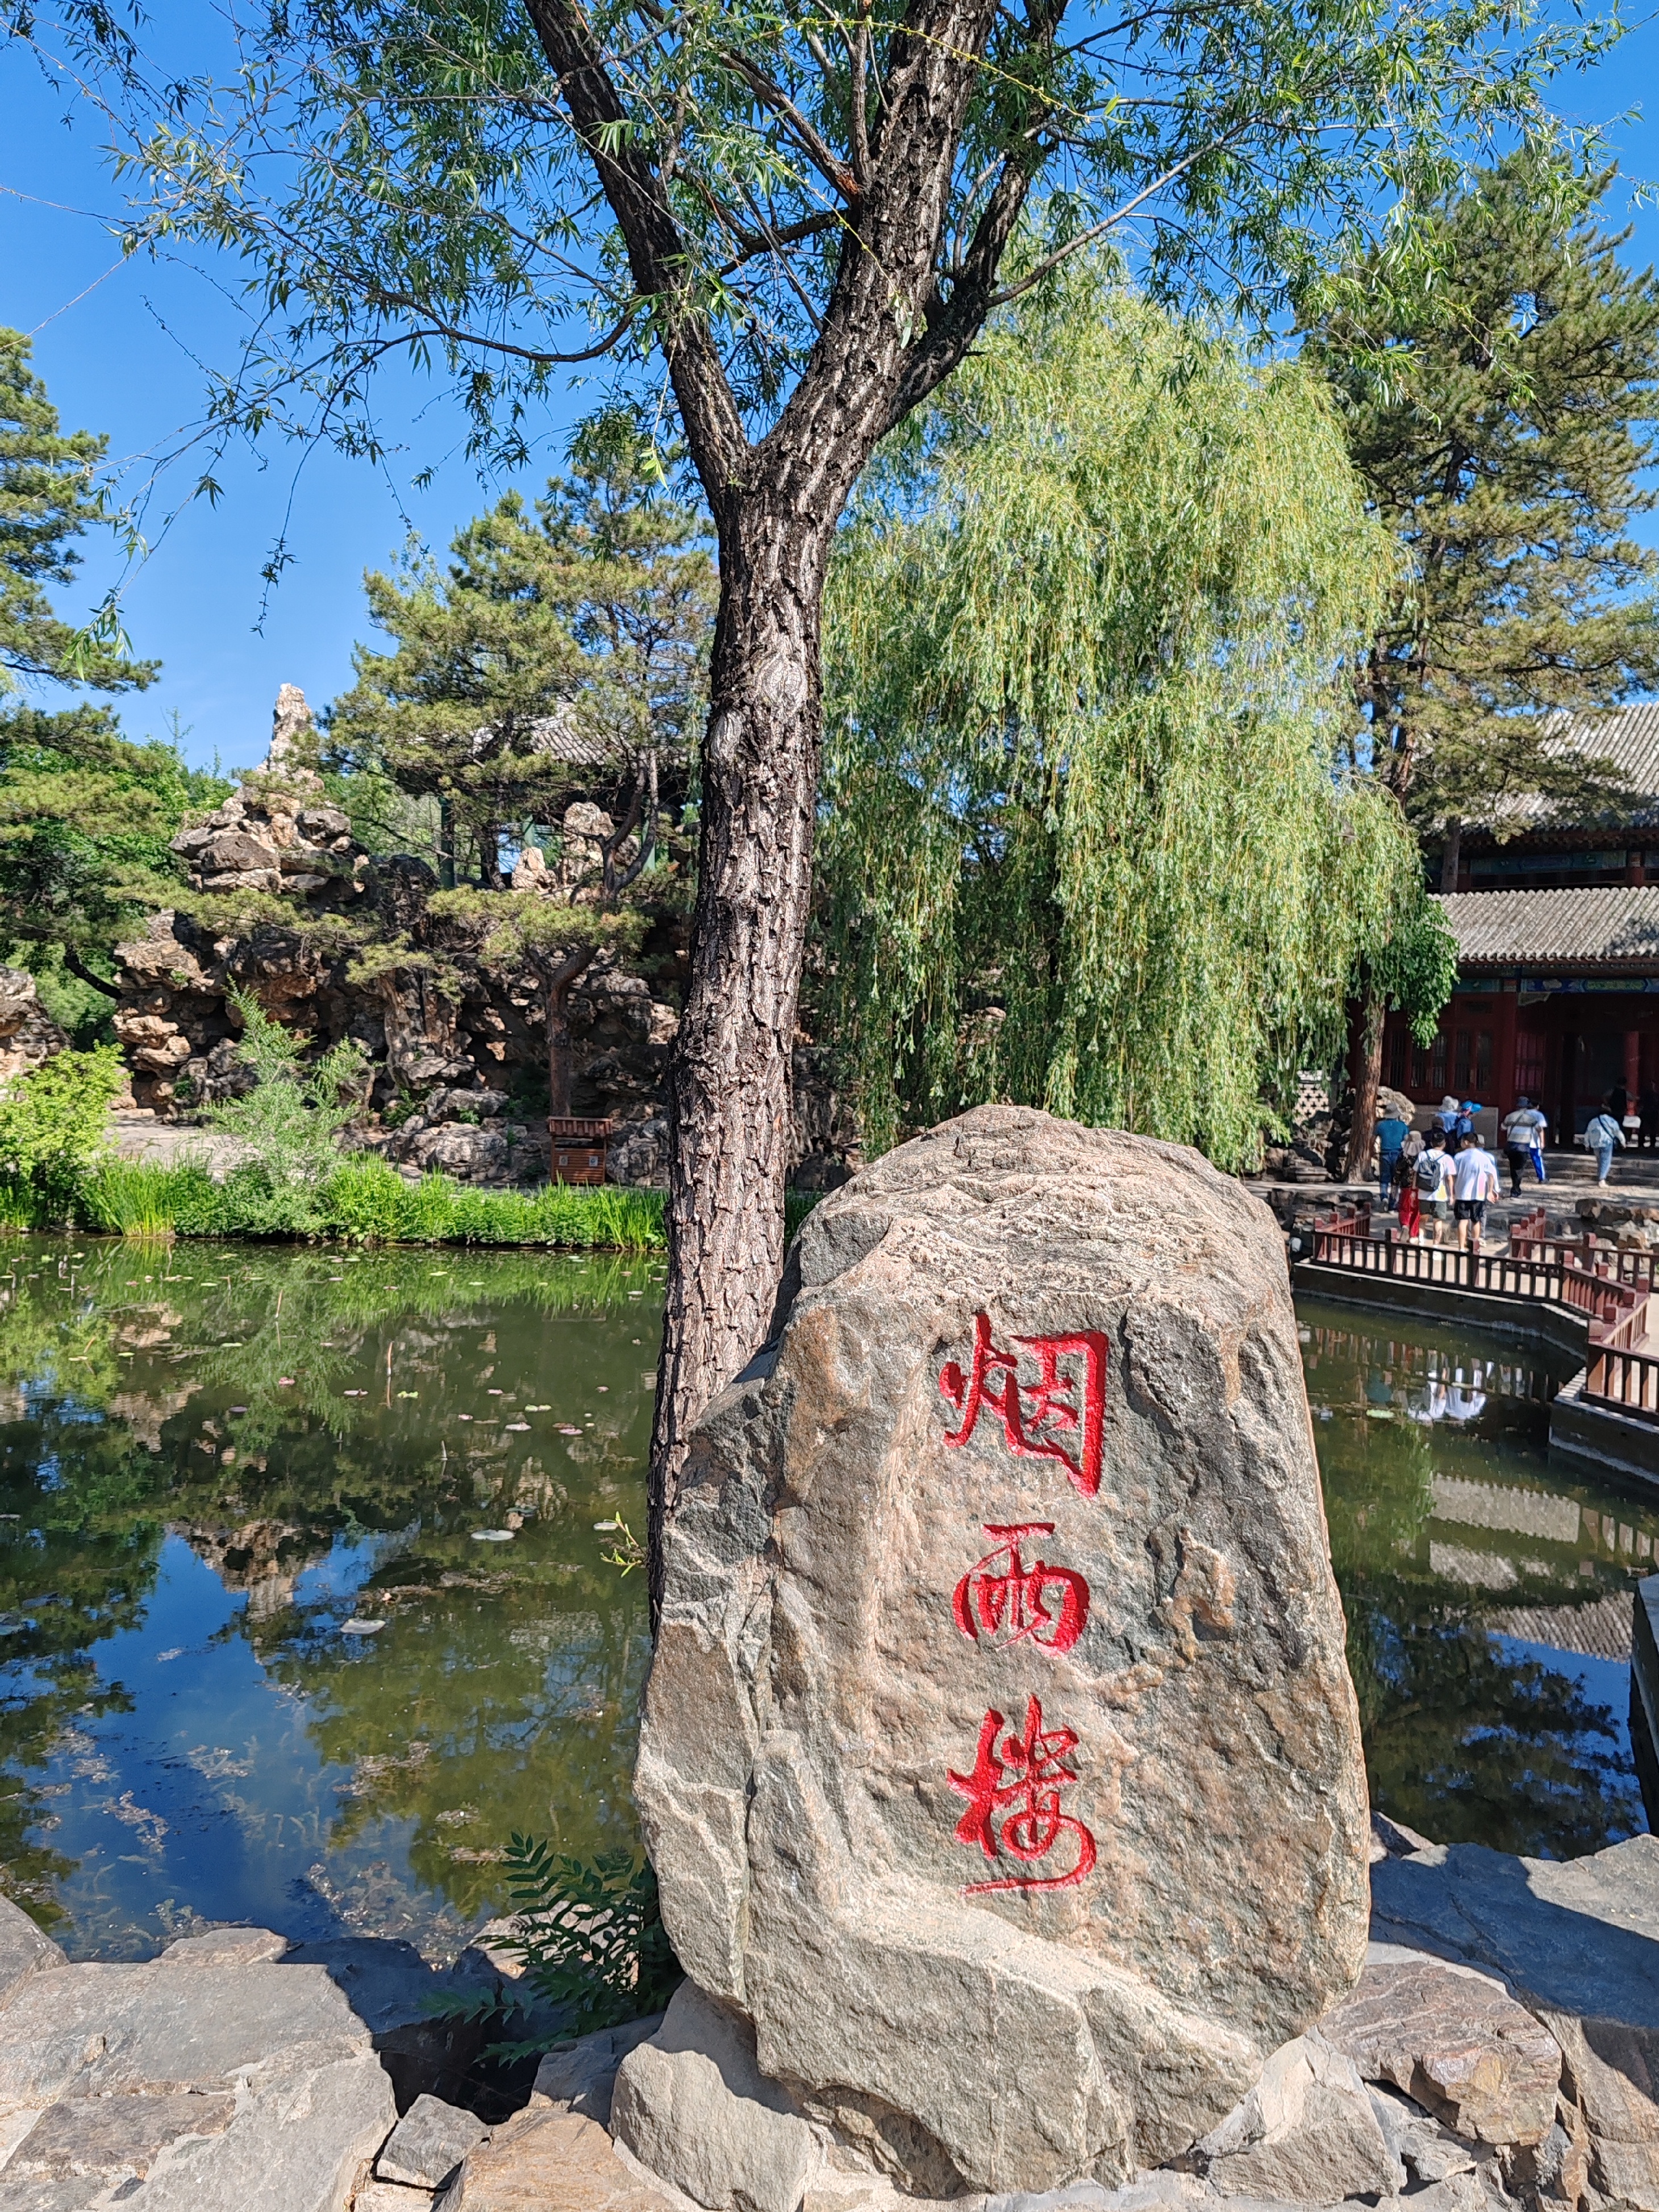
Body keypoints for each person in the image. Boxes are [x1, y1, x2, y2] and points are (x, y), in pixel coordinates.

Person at [1452, 1129, 1498, 1250]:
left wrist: (1452, 1192)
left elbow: (1453, 1175)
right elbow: (1491, 1175)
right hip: (1479, 1194)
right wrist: (1490, 1191)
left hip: (1462, 1193)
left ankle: (1461, 1247)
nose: (1461, 1144)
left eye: (1462, 1141)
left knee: (1463, 1221)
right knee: (1476, 1220)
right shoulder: (1483, 1157)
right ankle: (1475, 1247)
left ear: (1466, 1142)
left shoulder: (1459, 1157)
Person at [1500, 1096, 1546, 1197]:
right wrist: (1542, 1142)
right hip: (1523, 1146)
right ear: (1527, 1107)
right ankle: (1516, 1189)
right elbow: (1539, 1129)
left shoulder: (1510, 1116)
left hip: (1512, 1146)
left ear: (1517, 1106)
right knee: (1520, 1169)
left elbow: (1503, 1127)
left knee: (1513, 1167)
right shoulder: (1530, 1119)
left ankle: (1515, 1188)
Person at [1414, 1131, 1454, 1244]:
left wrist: (1414, 1190)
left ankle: (1421, 1241)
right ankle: (1436, 1246)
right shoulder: (1447, 1158)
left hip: (1423, 1193)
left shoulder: (1422, 1155)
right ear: (1444, 1144)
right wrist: (1452, 1195)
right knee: (1438, 1221)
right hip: (1440, 1195)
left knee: (1423, 1219)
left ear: (1431, 1143)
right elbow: (1449, 1178)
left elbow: (1416, 1173)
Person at [1584, 1100, 1626, 1186]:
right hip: (1607, 1143)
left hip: (1595, 1144)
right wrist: (1623, 1142)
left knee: (1600, 1161)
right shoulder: (1611, 1121)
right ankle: (1602, 1179)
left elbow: (1588, 1133)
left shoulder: (1593, 1121)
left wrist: (1587, 1144)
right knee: (1606, 1161)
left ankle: (1600, 1176)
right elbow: (1618, 1132)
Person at [1375, 1105, 1409, 1206]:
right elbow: (1407, 1141)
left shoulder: (1380, 1125)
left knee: (1384, 1178)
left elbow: (1372, 1139)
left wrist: (1372, 1151)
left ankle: (1384, 1197)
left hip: (1384, 1154)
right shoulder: (1403, 1126)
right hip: (1398, 1154)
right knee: (1396, 1180)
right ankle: (1393, 1201)